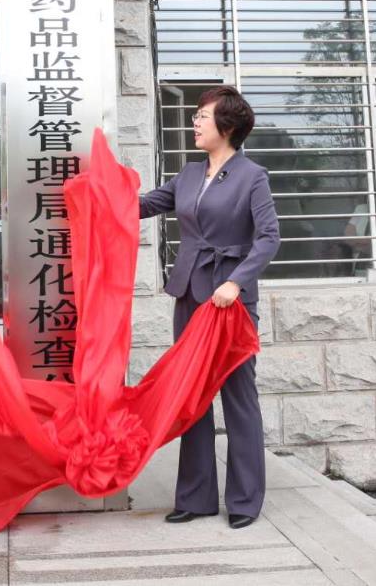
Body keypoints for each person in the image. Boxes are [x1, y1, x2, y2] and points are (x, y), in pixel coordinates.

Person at [138, 86, 280, 529]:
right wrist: (94, 192)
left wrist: (237, 282)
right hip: (190, 294)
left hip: (229, 301)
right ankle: (196, 498)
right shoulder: (188, 174)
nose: (195, 122)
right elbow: (143, 205)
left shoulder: (252, 176)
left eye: (203, 115)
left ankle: (245, 501)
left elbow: (269, 237)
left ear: (228, 125)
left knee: (239, 398)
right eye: (196, 115)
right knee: (191, 396)